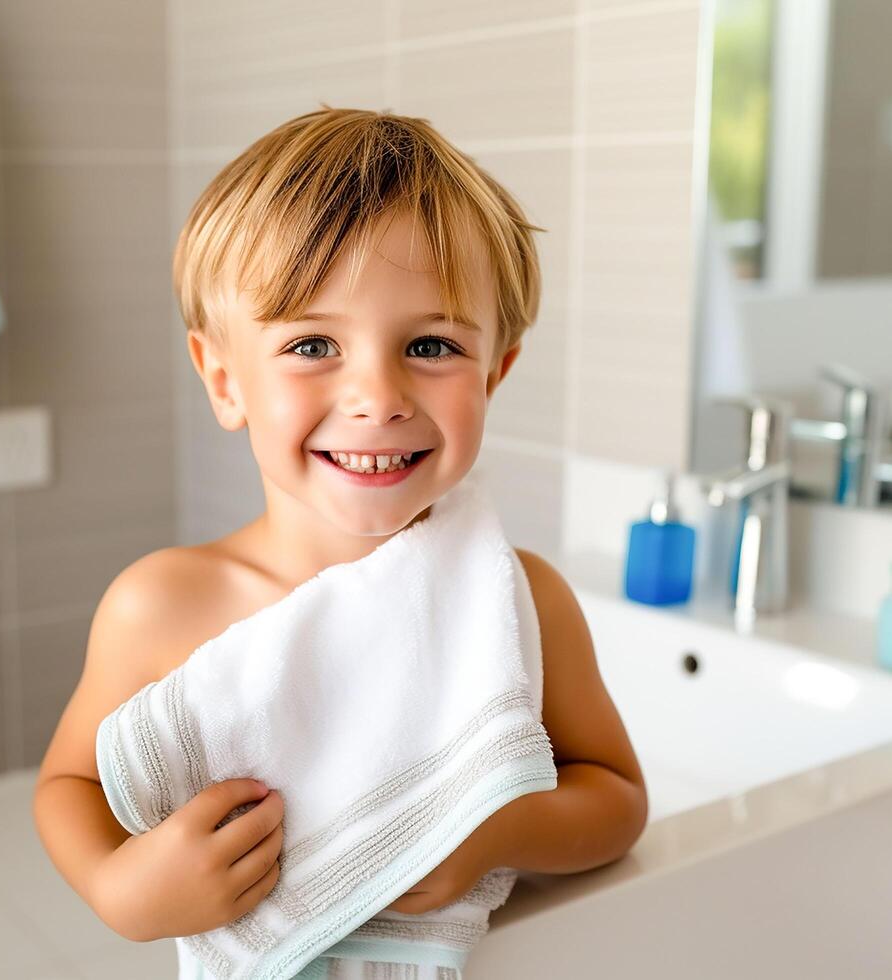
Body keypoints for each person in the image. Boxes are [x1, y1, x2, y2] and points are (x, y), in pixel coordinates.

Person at [31, 105, 649, 976]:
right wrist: (118, 888)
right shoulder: (163, 606)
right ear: (224, 377)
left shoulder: (517, 599)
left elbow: (617, 800)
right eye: (314, 343)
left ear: (495, 370)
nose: (378, 395)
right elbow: (72, 786)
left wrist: (484, 834)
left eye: (431, 344)